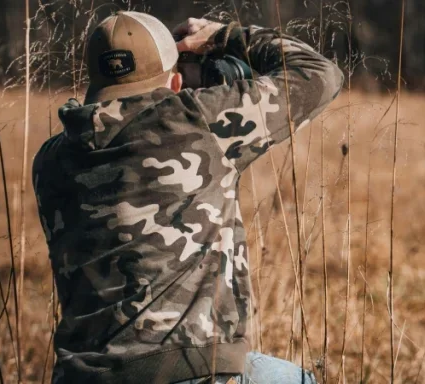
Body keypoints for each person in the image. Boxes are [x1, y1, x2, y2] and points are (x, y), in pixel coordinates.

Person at [32, 11, 343, 384]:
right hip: (192, 371)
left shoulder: (50, 160)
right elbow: (319, 74)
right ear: (176, 80)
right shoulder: (196, 119)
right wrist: (224, 36)